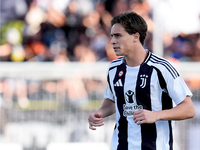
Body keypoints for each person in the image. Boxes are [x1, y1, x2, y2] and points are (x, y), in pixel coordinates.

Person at [88, 11, 196, 150]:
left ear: (135, 37)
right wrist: (100, 113)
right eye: (112, 36)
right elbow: (113, 101)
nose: (113, 41)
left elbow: (188, 109)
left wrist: (156, 115)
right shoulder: (114, 68)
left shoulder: (161, 68)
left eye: (118, 36)